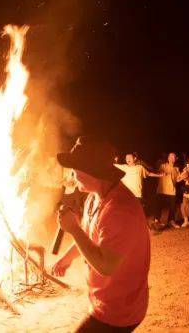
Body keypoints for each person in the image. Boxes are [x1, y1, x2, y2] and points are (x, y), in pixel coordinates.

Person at [54, 137, 150, 332]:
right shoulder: (94, 198)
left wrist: (73, 229)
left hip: (119, 311)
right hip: (103, 302)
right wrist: (66, 259)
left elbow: (106, 266)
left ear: (92, 171)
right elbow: (90, 238)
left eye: (75, 169)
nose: (72, 175)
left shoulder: (120, 210)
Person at [155, 153, 183, 229]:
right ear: (168, 158)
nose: (172, 158)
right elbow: (157, 174)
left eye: (173, 157)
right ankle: (157, 221)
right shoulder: (162, 166)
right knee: (159, 206)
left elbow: (177, 179)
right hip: (162, 190)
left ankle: (171, 221)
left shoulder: (176, 169)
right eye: (170, 157)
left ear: (176, 159)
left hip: (172, 190)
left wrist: (182, 177)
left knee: (172, 207)